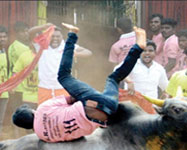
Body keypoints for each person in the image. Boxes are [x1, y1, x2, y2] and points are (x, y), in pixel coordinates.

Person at [12, 25, 145, 143]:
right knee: (64, 76)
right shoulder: (42, 109)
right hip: (92, 103)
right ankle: (72, 34)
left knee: (114, 78)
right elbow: (72, 98)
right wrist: (89, 97)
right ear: (31, 112)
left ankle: (137, 48)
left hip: (109, 112)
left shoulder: (43, 136)